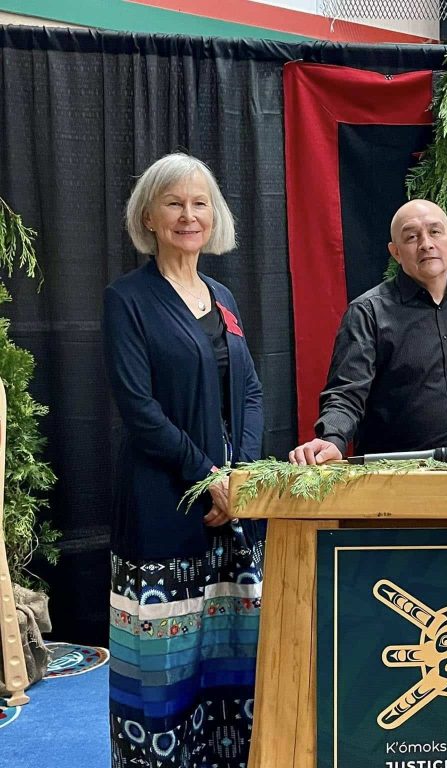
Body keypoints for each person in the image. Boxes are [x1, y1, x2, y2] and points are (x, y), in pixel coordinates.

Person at [103, 153, 264, 768]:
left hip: (232, 512)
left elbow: (249, 392)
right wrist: (210, 480)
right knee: (163, 674)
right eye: (174, 202)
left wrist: (241, 481)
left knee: (230, 658)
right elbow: (139, 410)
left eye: (200, 203)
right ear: (149, 214)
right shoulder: (129, 300)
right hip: (161, 507)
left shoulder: (222, 296)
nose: (188, 215)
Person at [289, 199, 447, 465]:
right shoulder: (369, 312)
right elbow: (346, 392)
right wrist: (333, 438)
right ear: (396, 252)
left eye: (435, 232)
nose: (426, 244)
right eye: (412, 236)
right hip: (392, 478)